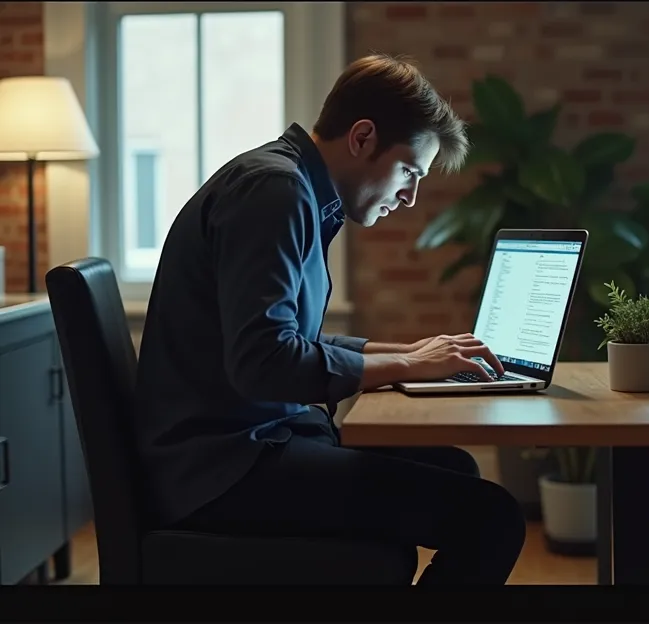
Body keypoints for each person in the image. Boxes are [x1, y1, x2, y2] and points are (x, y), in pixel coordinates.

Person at [133, 53, 526, 585]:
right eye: (409, 171)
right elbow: (264, 362)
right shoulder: (274, 191)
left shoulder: (292, 188)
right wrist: (404, 366)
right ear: (363, 138)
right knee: (492, 518)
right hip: (223, 470)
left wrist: (404, 354)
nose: (410, 197)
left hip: (246, 447)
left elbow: (291, 339)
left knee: (456, 469)